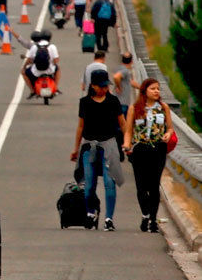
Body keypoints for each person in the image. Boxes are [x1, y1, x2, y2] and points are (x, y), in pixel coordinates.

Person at [72, 70, 126, 231]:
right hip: (89, 146)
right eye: (101, 86)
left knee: (110, 183)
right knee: (89, 185)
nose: (104, 89)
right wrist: (76, 149)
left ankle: (109, 219)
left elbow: (122, 123)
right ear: (93, 85)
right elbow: (80, 127)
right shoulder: (85, 102)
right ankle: (90, 213)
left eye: (105, 86)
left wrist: (128, 142)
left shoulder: (113, 101)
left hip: (109, 145)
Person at [124, 78, 173, 233]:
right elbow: (128, 130)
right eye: (153, 89)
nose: (156, 91)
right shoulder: (135, 108)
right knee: (141, 185)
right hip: (140, 149)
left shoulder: (163, 108)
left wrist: (167, 134)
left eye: (158, 88)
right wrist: (127, 144)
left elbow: (170, 128)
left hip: (158, 149)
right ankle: (145, 214)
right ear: (145, 91)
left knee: (154, 185)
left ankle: (153, 219)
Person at [23, 29, 61, 98]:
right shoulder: (52, 46)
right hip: (50, 71)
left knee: (24, 73)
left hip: (36, 72)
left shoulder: (34, 47)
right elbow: (56, 61)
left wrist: (24, 67)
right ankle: (55, 87)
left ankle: (32, 91)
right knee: (58, 69)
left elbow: (29, 59)